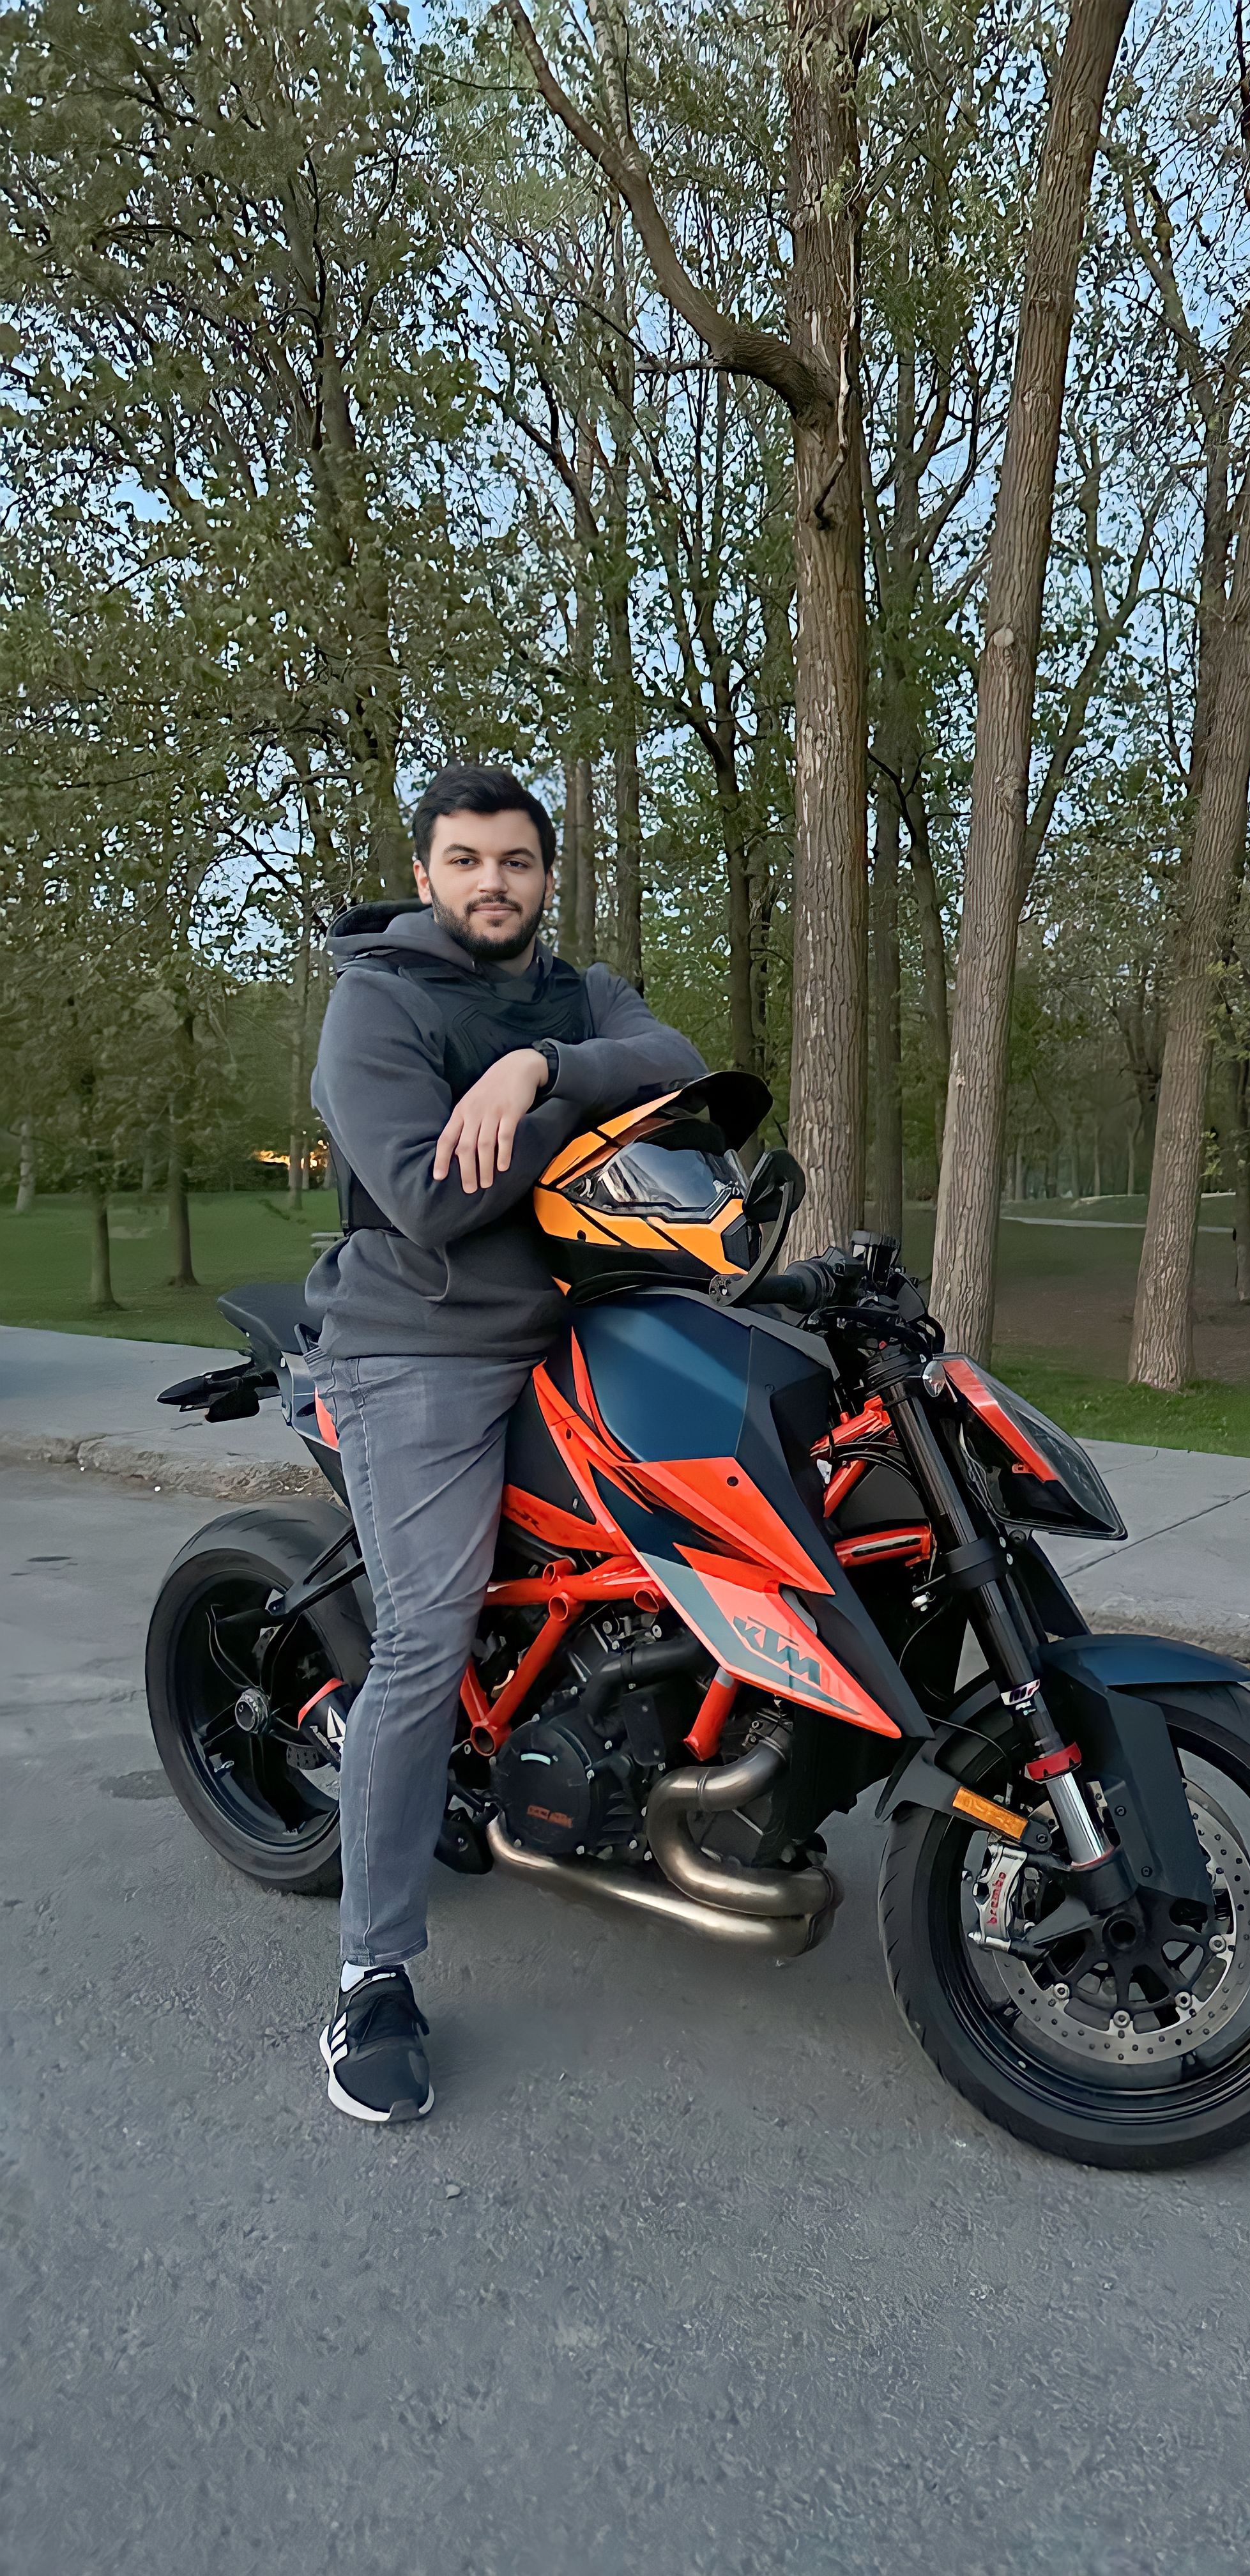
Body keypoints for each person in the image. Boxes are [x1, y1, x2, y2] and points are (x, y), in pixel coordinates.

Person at [305, 765, 704, 2123]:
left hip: (594, 1318)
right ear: (426, 877)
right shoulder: (377, 1005)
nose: (494, 884)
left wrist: (539, 1067)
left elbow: (681, 1071)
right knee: (426, 1627)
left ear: (546, 875)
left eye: (517, 862)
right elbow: (427, 1199)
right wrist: (576, 1121)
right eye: (466, 861)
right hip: (422, 1343)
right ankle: (372, 1970)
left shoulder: (575, 994)